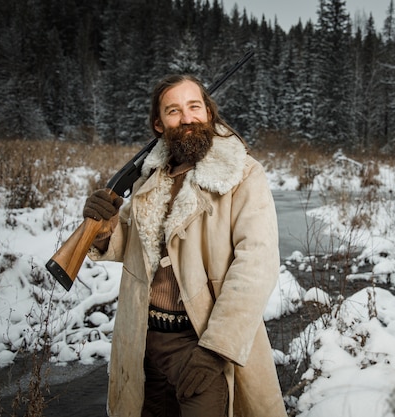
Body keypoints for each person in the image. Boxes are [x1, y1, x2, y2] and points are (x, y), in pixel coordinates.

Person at [84, 74, 287, 417]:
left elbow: (257, 264)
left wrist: (215, 349)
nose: (187, 118)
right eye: (174, 111)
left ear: (208, 112)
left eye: (194, 106)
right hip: (142, 341)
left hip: (201, 343)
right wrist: (103, 227)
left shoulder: (243, 174)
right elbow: (134, 245)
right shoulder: (152, 176)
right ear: (159, 125)